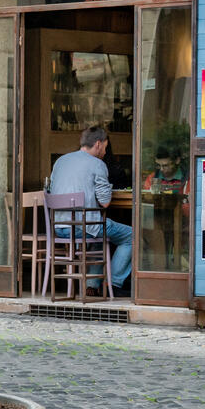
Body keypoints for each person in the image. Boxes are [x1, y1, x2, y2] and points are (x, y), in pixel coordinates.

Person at [49, 124, 132, 296]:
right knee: (132, 236)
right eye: (105, 148)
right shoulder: (97, 164)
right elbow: (105, 202)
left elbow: (51, 190)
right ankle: (113, 283)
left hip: (59, 227)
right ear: (98, 144)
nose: (105, 152)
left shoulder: (60, 161)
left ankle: (92, 285)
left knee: (97, 234)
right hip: (84, 226)